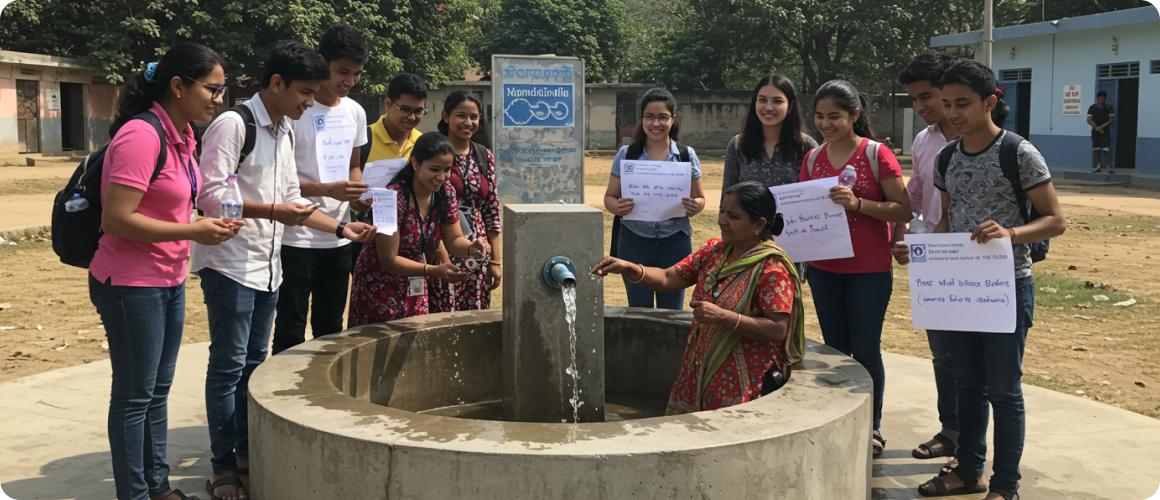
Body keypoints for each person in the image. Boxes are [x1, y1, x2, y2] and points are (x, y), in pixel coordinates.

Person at [192, 41, 376, 500]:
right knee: (228, 367)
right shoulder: (233, 125)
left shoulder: (284, 129)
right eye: (305, 93)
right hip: (231, 265)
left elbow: (294, 199)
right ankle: (222, 467)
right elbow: (209, 198)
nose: (310, 103)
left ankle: (245, 448)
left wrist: (339, 228)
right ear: (277, 83)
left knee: (254, 364)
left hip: (268, 265)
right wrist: (273, 211)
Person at [906, 59, 1066, 500]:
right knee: (967, 385)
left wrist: (1010, 232)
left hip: (1006, 289)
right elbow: (946, 225)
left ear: (990, 102)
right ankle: (969, 470)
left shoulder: (1019, 152)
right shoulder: (945, 158)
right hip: (960, 292)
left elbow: (1055, 220)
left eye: (963, 104)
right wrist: (920, 253)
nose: (953, 113)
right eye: (947, 104)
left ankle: (1005, 485)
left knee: (1004, 391)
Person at [89, 42, 234, 500]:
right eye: (212, 89)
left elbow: (173, 206)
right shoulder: (142, 134)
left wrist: (199, 227)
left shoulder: (184, 135)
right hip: (130, 283)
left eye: (223, 89)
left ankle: (158, 486)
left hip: (166, 279)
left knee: (156, 392)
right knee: (134, 398)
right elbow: (116, 218)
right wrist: (192, 231)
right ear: (178, 85)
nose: (219, 98)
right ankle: (134, 493)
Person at [591, 181, 805, 414]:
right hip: (702, 368)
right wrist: (628, 267)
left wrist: (723, 316)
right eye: (722, 211)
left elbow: (777, 328)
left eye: (732, 216)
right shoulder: (715, 251)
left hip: (745, 380)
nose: (722, 220)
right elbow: (667, 277)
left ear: (759, 224)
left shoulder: (771, 268)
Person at [801, 79, 912, 457]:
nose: (826, 124)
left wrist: (859, 204)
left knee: (866, 350)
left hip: (869, 269)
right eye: (819, 116)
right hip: (823, 269)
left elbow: (903, 209)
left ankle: (873, 425)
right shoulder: (813, 159)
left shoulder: (876, 155)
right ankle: (839, 419)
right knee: (835, 350)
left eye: (835, 116)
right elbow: (804, 211)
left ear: (855, 116)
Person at [271, 25, 370, 355]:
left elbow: (354, 164)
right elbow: (278, 182)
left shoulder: (355, 111)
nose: (350, 81)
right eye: (343, 71)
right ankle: (283, 401)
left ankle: (321, 402)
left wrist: (357, 195)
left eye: (356, 73)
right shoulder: (295, 110)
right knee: (290, 327)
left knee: (330, 328)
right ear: (321, 60)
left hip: (340, 235)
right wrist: (327, 189)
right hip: (294, 235)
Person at [896, 51, 964, 465]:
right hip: (932, 260)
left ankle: (971, 444)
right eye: (914, 100)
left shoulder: (975, 137)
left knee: (974, 357)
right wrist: (902, 233)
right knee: (942, 354)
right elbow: (917, 197)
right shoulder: (923, 141)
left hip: (975, 261)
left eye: (927, 96)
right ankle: (951, 431)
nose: (921, 107)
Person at [348, 131, 489, 326]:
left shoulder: (445, 192)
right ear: (415, 164)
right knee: (375, 344)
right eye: (434, 169)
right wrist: (433, 270)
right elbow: (388, 260)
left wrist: (471, 248)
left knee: (414, 338)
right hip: (379, 282)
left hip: (416, 277)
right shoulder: (389, 197)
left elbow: (454, 240)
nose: (442, 177)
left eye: (447, 169)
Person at [603, 88, 706, 310]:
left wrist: (694, 206)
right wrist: (618, 207)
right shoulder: (626, 154)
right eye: (649, 116)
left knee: (672, 312)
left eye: (662, 117)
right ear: (642, 119)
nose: (655, 123)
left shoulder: (686, 155)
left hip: (675, 242)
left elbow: (700, 199)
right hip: (634, 241)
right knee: (639, 310)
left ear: (673, 119)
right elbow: (609, 198)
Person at [428, 90, 502, 312]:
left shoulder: (484, 156)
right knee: (443, 314)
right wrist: (439, 251)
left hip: (478, 250)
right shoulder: (433, 151)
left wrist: (495, 261)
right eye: (461, 115)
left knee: (475, 314)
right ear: (446, 116)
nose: (468, 122)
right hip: (442, 247)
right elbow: (426, 208)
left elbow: (491, 209)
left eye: (474, 117)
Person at [351, 73, 429, 266]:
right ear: (388, 103)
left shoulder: (422, 143)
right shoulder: (363, 140)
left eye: (418, 111)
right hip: (367, 237)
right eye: (405, 109)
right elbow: (349, 188)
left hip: (410, 242)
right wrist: (356, 202)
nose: (412, 117)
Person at [722, 73, 817, 194]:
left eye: (777, 101)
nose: (768, 107)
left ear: (790, 106)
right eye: (762, 100)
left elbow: (815, 198)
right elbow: (727, 199)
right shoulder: (738, 145)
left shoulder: (806, 147)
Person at [1087, 90, 1115, 173]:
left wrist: (1101, 128)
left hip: (1105, 130)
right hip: (1095, 130)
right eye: (1099, 99)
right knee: (1096, 148)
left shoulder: (1109, 107)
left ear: (1105, 99)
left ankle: (1109, 167)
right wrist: (1096, 127)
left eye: (1102, 99)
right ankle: (1098, 165)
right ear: (1097, 99)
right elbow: (1088, 119)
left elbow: (1111, 120)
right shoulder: (1092, 107)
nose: (1100, 101)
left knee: (1106, 149)